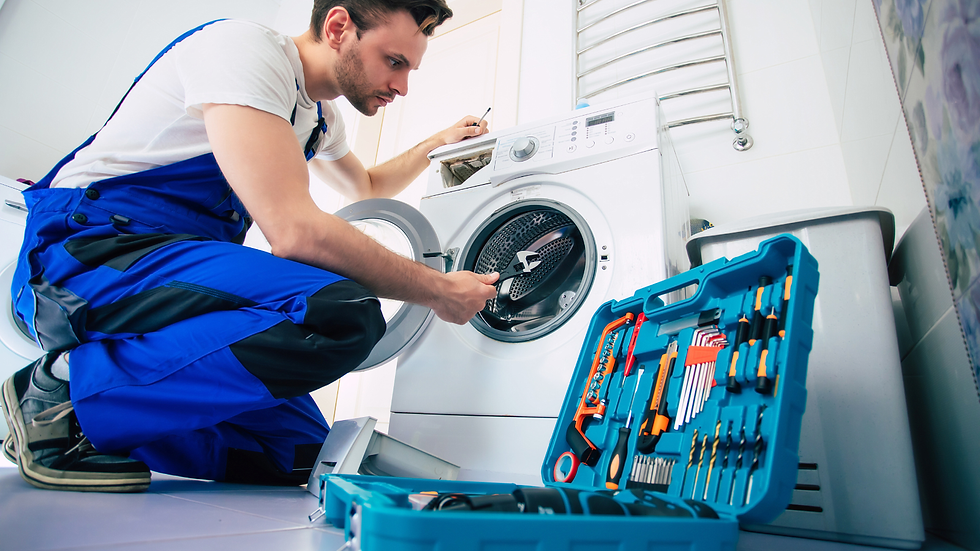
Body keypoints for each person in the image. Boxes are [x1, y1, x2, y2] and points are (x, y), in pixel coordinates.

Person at [1, 0, 499, 493]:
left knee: (302, 455)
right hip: (89, 255)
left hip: (170, 279)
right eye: (394, 62)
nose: (402, 86)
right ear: (339, 26)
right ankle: (59, 396)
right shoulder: (243, 50)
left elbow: (367, 185)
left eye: (410, 68)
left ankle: (90, 425)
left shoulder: (320, 119)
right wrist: (438, 290)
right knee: (340, 314)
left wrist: (439, 141)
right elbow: (295, 232)